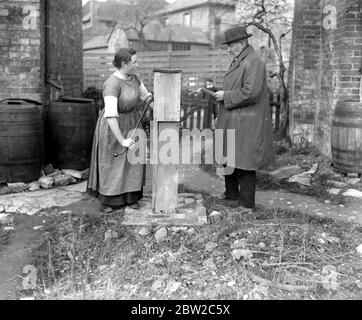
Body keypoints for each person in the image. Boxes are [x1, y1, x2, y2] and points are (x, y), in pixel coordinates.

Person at [214, 25, 274, 210]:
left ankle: (246, 204)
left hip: (247, 120)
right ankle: (231, 193)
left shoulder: (253, 61)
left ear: (241, 43)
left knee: (244, 161)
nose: (229, 48)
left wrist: (225, 96)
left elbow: (251, 92)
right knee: (228, 155)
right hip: (234, 117)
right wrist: (224, 95)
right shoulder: (239, 60)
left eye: (230, 45)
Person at [87, 48, 153, 212]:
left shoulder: (135, 79)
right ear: (124, 64)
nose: (137, 65)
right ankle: (110, 200)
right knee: (113, 161)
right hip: (113, 125)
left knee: (133, 161)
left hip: (133, 123)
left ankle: (131, 198)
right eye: (134, 62)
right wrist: (122, 139)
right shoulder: (112, 84)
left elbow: (146, 97)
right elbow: (110, 115)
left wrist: (160, 105)